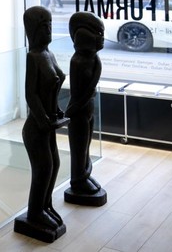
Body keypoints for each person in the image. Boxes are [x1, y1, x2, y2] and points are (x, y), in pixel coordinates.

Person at [16, 6, 68, 240]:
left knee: (54, 165)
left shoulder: (50, 54)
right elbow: (31, 94)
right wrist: (43, 118)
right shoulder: (33, 57)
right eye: (43, 26)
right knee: (43, 168)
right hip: (36, 127)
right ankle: (35, 212)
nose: (48, 30)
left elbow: (52, 87)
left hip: (48, 123)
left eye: (50, 25)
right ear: (33, 30)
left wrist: (55, 110)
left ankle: (45, 206)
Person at [65, 11, 106, 202]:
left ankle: (85, 174)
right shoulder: (78, 61)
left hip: (88, 109)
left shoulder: (93, 59)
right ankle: (78, 179)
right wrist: (71, 110)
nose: (101, 38)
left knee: (87, 145)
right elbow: (78, 92)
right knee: (79, 148)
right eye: (97, 34)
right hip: (79, 111)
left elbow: (94, 80)